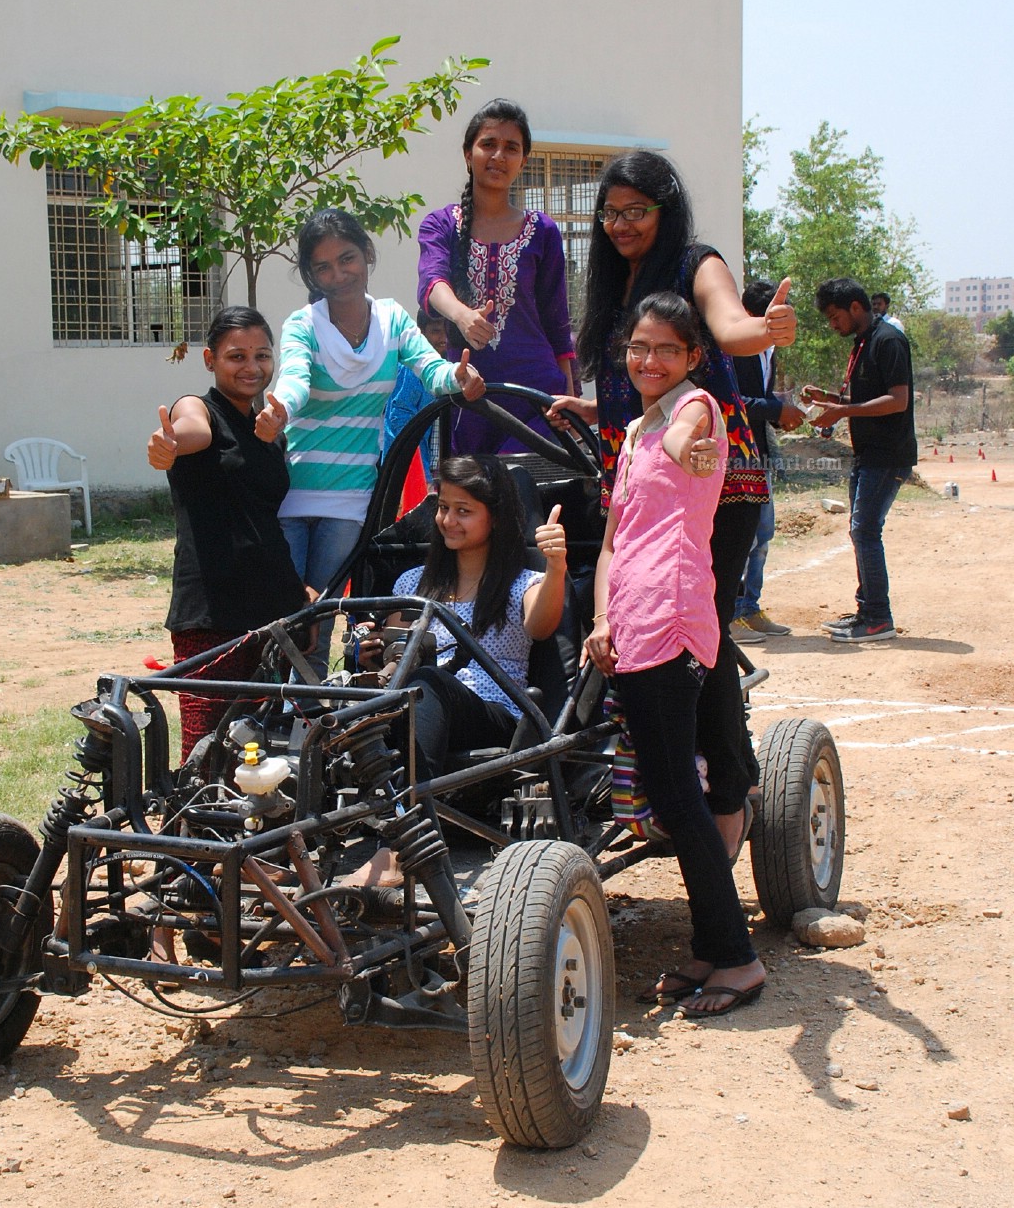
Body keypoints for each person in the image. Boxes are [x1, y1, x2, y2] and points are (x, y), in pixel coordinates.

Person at [549, 150, 797, 858]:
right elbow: (645, 377)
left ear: (665, 209)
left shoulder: (697, 260)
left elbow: (723, 328)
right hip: (638, 480)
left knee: (700, 642)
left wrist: (764, 329)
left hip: (715, 478)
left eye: (636, 210)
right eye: (611, 212)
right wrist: (593, 403)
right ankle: (664, 773)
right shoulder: (613, 279)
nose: (621, 224)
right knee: (640, 633)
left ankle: (726, 787)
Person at [584, 293, 766, 1019]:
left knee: (678, 801)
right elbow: (610, 542)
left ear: (693, 356)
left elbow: (682, 440)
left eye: (665, 348)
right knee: (668, 797)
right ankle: (709, 946)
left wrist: (679, 437)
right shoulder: (631, 430)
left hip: (674, 619)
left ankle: (737, 959)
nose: (647, 360)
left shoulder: (698, 412)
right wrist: (600, 617)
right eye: (638, 347)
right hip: (629, 623)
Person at [254, 211, 483, 656]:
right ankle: (267, 714)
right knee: (277, 616)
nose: (338, 274)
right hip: (289, 493)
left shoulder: (393, 321)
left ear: (367, 256)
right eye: (323, 267)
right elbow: (295, 379)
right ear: (310, 275)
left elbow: (433, 371)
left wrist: (460, 377)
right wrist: (281, 409)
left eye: (347, 259)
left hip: (350, 500)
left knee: (319, 615)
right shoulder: (303, 324)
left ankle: (308, 719)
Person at [147, 305, 308, 760]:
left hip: (272, 610)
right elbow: (188, 430)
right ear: (209, 360)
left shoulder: (270, 431)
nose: (252, 367)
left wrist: (297, 596)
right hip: (212, 612)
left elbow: (262, 520)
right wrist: (169, 444)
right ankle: (190, 831)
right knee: (203, 751)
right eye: (236, 356)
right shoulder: (199, 410)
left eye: (262, 355)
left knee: (262, 748)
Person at [362, 454, 568, 777]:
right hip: (417, 704)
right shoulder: (413, 583)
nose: (448, 520)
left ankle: (413, 811)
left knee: (428, 682)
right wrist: (371, 656)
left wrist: (556, 566)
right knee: (354, 700)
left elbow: (541, 626)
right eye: (444, 508)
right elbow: (396, 655)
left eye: (464, 511)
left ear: (495, 517)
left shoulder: (522, 583)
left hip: (494, 713)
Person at [416, 99, 577, 453]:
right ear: (467, 153)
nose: (499, 156)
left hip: (537, 397)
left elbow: (557, 325)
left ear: (524, 161)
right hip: (470, 392)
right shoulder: (441, 224)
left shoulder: (542, 230)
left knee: (527, 500)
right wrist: (461, 315)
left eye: (511, 148)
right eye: (488, 144)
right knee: (472, 502)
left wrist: (569, 399)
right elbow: (431, 283)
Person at [808, 278, 916, 642]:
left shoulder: (888, 341)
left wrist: (841, 412)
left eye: (835, 316)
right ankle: (865, 611)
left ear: (856, 307)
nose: (833, 324)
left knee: (865, 531)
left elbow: (897, 400)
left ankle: (877, 618)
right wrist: (827, 398)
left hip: (888, 456)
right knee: (862, 532)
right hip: (868, 454)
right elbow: (863, 396)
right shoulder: (865, 342)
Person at [729, 278, 807, 644]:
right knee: (737, 537)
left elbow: (756, 398)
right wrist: (776, 408)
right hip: (732, 457)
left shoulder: (768, 351)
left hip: (759, 453)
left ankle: (749, 608)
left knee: (762, 534)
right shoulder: (735, 349)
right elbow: (731, 402)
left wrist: (780, 410)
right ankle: (728, 613)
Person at [380, 306, 451, 479]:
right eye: (436, 331)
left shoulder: (449, 366)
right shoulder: (412, 367)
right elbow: (401, 421)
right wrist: (421, 474)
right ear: (421, 333)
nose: (443, 338)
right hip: (412, 469)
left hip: (438, 468)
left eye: (447, 331)